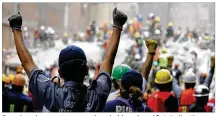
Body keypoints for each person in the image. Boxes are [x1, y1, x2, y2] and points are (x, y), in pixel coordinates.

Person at [8, 8, 127, 112]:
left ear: (59, 73)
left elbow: (26, 62)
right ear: (86, 70)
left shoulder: (52, 95)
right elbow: (108, 60)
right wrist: (117, 26)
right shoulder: (96, 97)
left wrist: (16, 27)